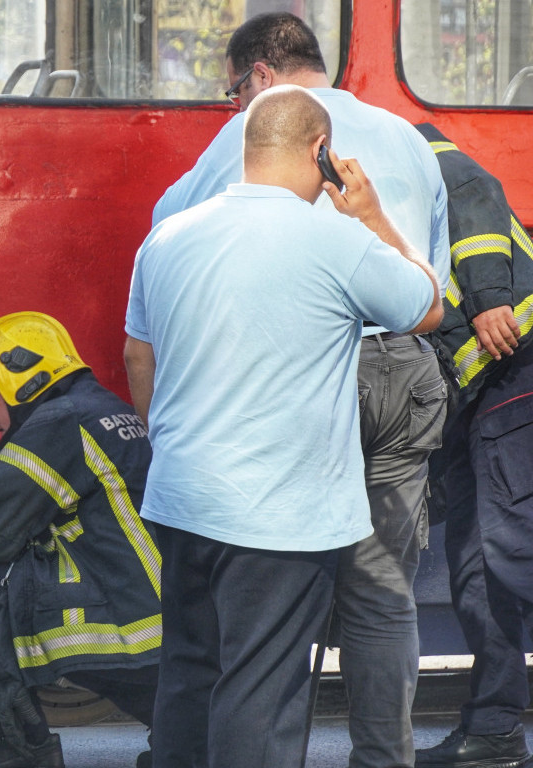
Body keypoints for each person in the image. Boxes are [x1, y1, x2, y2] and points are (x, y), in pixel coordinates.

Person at [151, 13, 451, 768]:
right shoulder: (408, 136)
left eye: (231, 93)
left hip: (290, 376)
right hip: (396, 365)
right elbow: (426, 290)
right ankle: (384, 758)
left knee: (231, 635)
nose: (231, 108)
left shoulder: (250, 134)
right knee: (382, 596)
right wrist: (376, 221)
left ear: (257, 79)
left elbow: (178, 241)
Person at [0, 311, 161, 768]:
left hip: (131, 628)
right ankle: (180, 736)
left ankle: (19, 750)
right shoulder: (105, 408)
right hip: (169, 622)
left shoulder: (55, 424)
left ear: (23, 381)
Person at [411, 123, 533, 768]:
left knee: (503, 553)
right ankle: (494, 730)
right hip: (477, 386)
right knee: (480, 565)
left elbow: (473, 189)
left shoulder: (395, 137)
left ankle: (495, 728)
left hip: (512, 359)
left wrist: (489, 300)